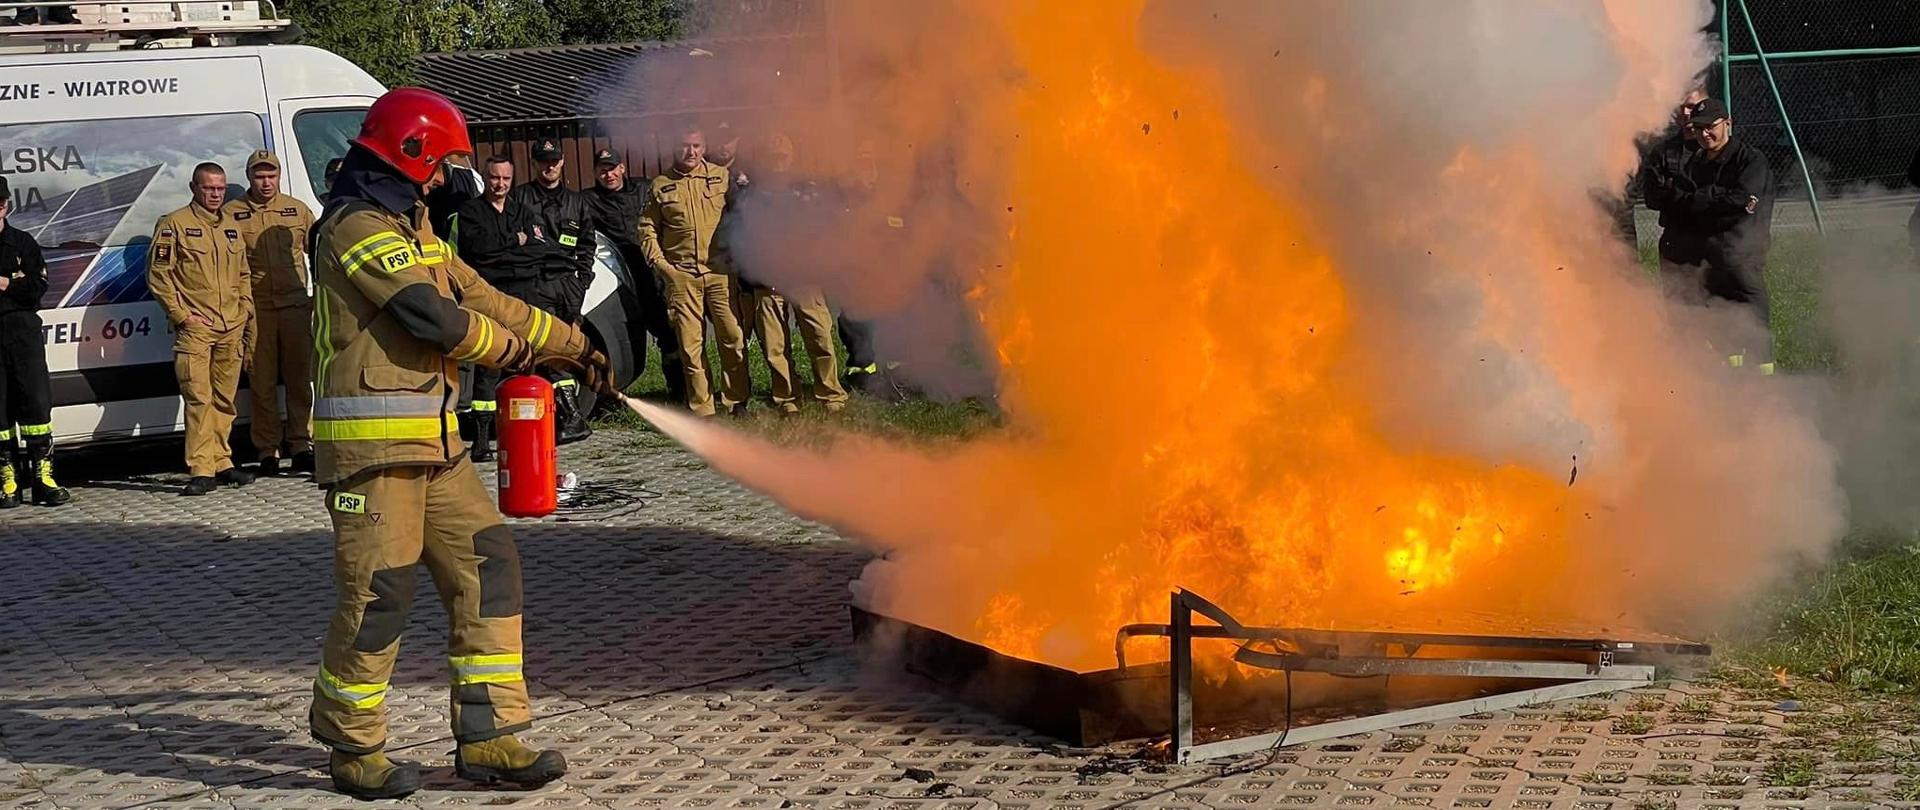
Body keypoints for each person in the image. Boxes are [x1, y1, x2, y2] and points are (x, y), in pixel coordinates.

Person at [307, 87, 612, 800]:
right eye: (440, 161)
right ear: (411, 152)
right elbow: (434, 318)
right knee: (380, 593)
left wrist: (573, 344)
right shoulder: (355, 227)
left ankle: (490, 736)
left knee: (489, 568)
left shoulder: (414, 227)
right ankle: (353, 745)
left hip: (437, 446)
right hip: (374, 453)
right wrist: (516, 355)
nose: (447, 177)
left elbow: (479, 294)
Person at [1642, 97, 1776, 371]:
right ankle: (1733, 382)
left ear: (1728, 124)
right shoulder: (1698, 162)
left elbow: (1741, 201)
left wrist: (1696, 199)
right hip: (1709, 258)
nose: (1704, 134)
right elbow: (1672, 201)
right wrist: (1706, 200)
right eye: (1698, 128)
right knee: (1723, 327)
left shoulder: (1751, 160)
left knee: (1754, 327)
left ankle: (1765, 384)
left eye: (1710, 127)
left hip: (1742, 258)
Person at [148, 162, 256, 495]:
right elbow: (159, 276)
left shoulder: (231, 228)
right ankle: (201, 468)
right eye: (209, 188)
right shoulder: (174, 225)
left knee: (225, 399)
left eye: (221, 188)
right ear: (194, 187)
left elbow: (243, 274)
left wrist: (246, 309)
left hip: (230, 326)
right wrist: (182, 316)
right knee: (199, 398)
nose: (215, 194)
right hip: (197, 329)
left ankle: (223, 462)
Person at [452, 156, 563, 461]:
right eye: (493, 178)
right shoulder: (470, 212)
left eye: (505, 179)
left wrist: (505, 251)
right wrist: (516, 241)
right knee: (490, 365)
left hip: (524, 294)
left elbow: (541, 250)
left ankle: (527, 433)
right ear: (484, 178)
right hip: (489, 295)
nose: (499, 184)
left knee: (528, 364)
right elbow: (479, 251)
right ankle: (482, 441)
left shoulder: (523, 211)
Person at [731, 133, 848, 414]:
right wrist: (753, 277)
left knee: (820, 338)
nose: (778, 163)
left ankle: (831, 395)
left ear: (792, 157)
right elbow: (741, 239)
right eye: (772, 158)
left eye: (783, 157)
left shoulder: (808, 191)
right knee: (775, 349)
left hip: (804, 281)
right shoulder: (749, 197)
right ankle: (787, 399)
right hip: (767, 284)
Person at [639, 127, 751, 417]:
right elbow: (647, 230)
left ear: (704, 147)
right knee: (691, 346)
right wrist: (665, 269)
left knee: (733, 338)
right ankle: (703, 408)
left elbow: (742, 217)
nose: (691, 152)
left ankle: (736, 401)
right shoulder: (660, 185)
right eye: (684, 145)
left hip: (719, 273)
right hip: (682, 276)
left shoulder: (722, 177)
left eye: (697, 146)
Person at [225, 150, 316, 476]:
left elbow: (318, 251)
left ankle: (302, 444)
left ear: (278, 176)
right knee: (261, 383)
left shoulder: (297, 210)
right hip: (257, 310)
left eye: (271, 175)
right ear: (250, 177)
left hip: (294, 307)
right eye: (260, 176)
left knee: (299, 380)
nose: (266, 182)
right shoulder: (232, 215)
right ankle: (267, 450)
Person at [507, 139, 596, 441]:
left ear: (562, 162)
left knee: (562, 349)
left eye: (554, 160)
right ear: (534, 163)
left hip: (568, 285)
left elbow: (587, 247)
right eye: (544, 160)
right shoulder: (520, 198)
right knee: (546, 348)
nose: (550, 166)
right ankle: (571, 416)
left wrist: (581, 282)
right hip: (536, 282)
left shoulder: (577, 202)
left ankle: (568, 417)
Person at [586, 147, 685, 405]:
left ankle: (679, 391)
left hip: (655, 271)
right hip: (623, 278)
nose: (608, 174)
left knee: (670, 335)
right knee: (626, 338)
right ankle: (612, 393)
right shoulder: (588, 200)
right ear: (596, 172)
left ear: (622, 168)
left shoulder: (644, 190)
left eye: (612, 168)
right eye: (602, 169)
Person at [0, 177, 71, 507]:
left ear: (6, 206)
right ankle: (8, 481)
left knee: (36, 405)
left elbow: (37, 288)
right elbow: (25, 284)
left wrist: (6, 284)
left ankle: (44, 479)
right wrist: (16, 281)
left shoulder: (23, 243)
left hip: (23, 332)